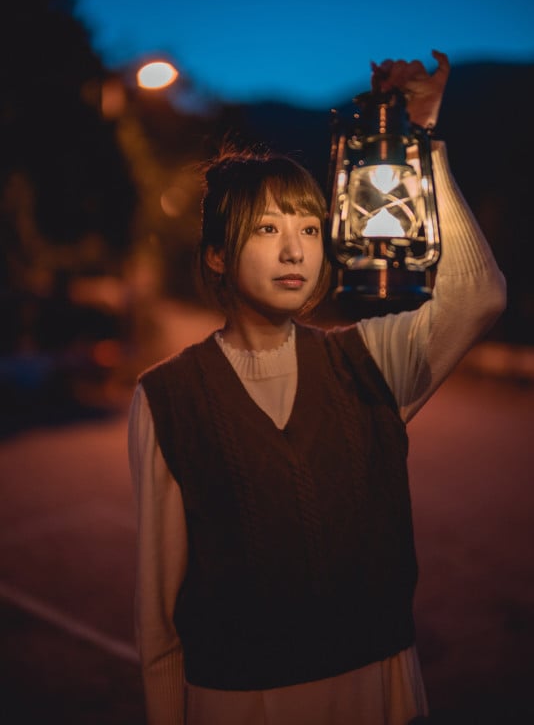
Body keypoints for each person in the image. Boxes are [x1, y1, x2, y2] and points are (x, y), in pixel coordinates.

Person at [128, 51, 506, 725]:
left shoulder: (368, 361)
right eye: (267, 229)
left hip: (375, 682)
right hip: (238, 697)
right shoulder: (167, 396)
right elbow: (160, 610)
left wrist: (420, 144)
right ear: (216, 253)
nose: (295, 251)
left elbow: (478, 295)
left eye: (308, 228)